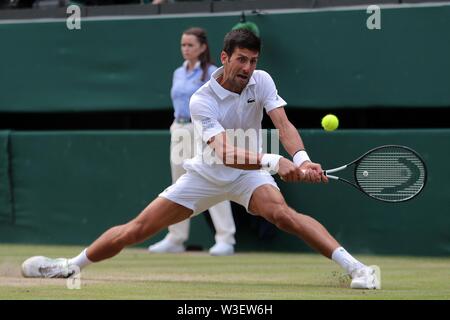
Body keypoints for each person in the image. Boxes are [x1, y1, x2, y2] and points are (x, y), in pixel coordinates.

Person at [21, 29, 380, 289]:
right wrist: (274, 162)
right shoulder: (201, 100)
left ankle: (358, 270)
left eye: (253, 61)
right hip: (207, 175)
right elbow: (224, 152)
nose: (248, 68)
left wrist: (301, 159)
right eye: (241, 59)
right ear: (224, 58)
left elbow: (283, 123)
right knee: (138, 229)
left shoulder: (263, 81)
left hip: (249, 177)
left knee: (284, 215)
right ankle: (69, 266)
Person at [148, 27, 236, 256]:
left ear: (202, 47)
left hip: (204, 131)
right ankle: (176, 238)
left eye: (190, 45)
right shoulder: (178, 73)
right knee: (178, 183)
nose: (185, 49)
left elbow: (222, 103)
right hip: (179, 128)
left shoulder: (213, 73)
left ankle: (226, 239)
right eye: (183, 45)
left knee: (213, 180)